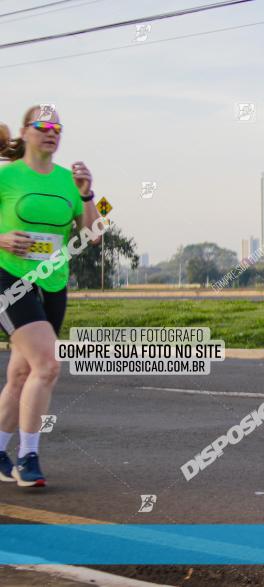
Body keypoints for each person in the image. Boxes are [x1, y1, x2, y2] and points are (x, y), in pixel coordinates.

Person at [0, 106, 101, 487]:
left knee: (22, 373)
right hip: (8, 278)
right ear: (26, 132)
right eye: (43, 126)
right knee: (48, 365)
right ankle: (28, 458)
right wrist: (2, 238)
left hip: (53, 284)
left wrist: (87, 194)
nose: (51, 133)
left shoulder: (67, 181)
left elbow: (94, 235)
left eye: (57, 128)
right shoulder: (6, 177)